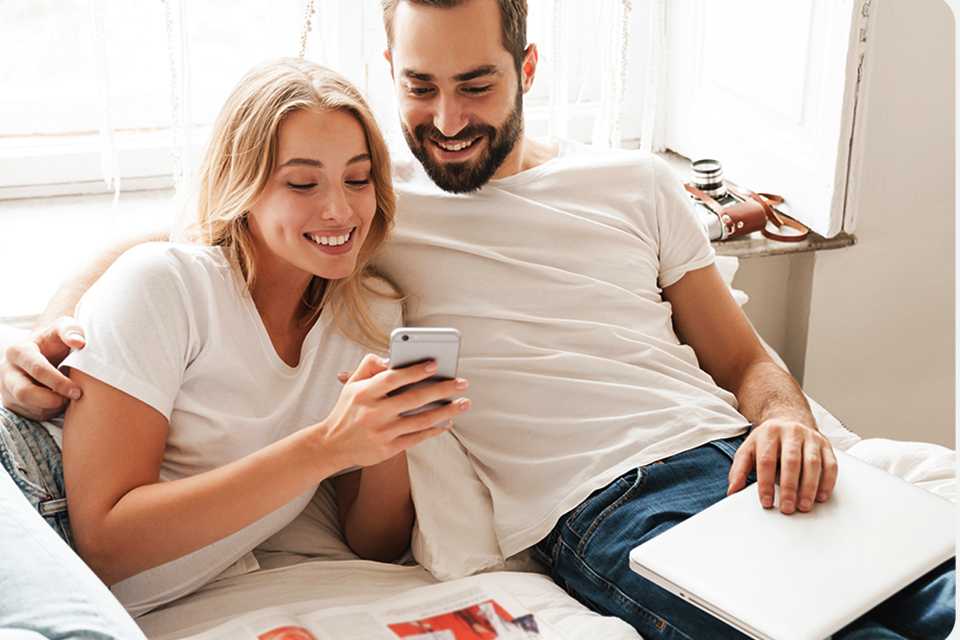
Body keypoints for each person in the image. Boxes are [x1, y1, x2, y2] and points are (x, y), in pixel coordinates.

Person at [2, 1, 953, 637]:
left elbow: (743, 358)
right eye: (420, 88)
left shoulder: (627, 183)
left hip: (737, 452)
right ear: (390, 71)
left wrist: (786, 414)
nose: (447, 119)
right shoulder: (366, 207)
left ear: (527, 65)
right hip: (612, 505)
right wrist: (41, 322)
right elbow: (183, 234)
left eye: (476, 86)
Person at [0, 57, 470, 636]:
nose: (340, 210)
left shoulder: (366, 317)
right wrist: (324, 447)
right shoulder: (169, 287)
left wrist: (384, 438)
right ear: (242, 186)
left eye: (357, 177)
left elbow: (374, 543)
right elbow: (106, 543)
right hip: (28, 494)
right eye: (302, 182)